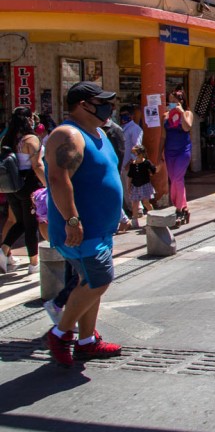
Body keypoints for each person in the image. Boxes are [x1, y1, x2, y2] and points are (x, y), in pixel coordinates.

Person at [42, 81, 124, 367]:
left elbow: (106, 175)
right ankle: (61, 332)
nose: (108, 107)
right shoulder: (68, 135)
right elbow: (57, 179)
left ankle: (87, 340)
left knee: (89, 283)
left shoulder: (99, 132)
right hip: (80, 231)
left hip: (100, 229)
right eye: (101, 101)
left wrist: (120, 214)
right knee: (100, 279)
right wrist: (72, 220)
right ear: (82, 105)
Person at [0, 107, 46, 274]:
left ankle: (3, 250)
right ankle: (34, 263)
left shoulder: (7, 139)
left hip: (12, 187)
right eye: (32, 117)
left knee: (20, 221)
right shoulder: (31, 139)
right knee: (30, 225)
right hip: (29, 186)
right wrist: (48, 184)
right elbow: (37, 165)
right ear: (28, 120)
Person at [162, 86, 193, 227]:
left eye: (174, 101)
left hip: (183, 150)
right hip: (169, 151)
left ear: (181, 101)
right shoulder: (166, 115)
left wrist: (181, 113)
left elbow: (187, 127)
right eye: (169, 101)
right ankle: (184, 206)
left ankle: (179, 208)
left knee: (177, 178)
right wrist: (158, 154)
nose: (171, 104)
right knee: (173, 179)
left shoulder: (187, 113)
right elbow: (162, 136)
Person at [119, 105, 143, 213]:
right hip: (122, 164)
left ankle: (138, 209)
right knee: (125, 188)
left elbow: (136, 146)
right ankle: (131, 209)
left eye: (126, 115)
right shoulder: (122, 128)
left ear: (131, 116)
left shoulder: (135, 129)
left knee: (131, 188)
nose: (123, 117)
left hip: (129, 163)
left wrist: (131, 161)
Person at [127, 144, 156, 230]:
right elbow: (130, 176)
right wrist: (128, 186)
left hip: (145, 185)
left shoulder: (146, 163)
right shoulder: (133, 164)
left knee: (146, 202)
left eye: (136, 153)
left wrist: (151, 172)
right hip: (135, 186)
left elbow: (153, 170)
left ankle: (154, 217)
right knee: (135, 203)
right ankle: (135, 221)